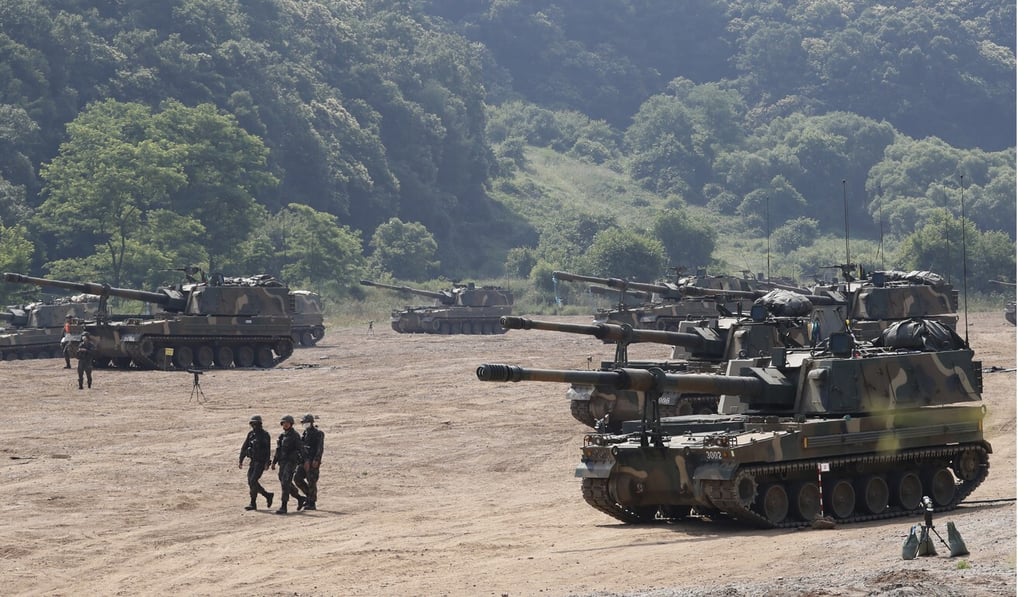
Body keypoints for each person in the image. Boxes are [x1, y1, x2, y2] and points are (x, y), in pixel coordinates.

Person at [270, 415, 305, 514]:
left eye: (287, 423)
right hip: (283, 462)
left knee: (285, 482)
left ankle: (284, 506)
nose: (285, 425)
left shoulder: (295, 435)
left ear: (291, 424)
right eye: (283, 423)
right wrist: (274, 462)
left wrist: (304, 461)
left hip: (291, 462)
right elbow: (278, 450)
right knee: (284, 481)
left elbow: (301, 449)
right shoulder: (282, 436)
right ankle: (300, 498)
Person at [238, 415, 274, 511]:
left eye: (256, 423)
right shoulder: (251, 434)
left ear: (260, 424)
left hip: (261, 462)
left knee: (253, 480)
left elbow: (267, 450)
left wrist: (267, 462)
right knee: (250, 482)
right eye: (252, 424)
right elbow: (244, 447)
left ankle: (255, 501)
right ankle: (265, 496)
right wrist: (241, 460)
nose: (254, 426)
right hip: (253, 461)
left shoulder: (265, 435)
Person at [293, 413, 324, 511]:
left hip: (313, 461)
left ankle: (312, 503)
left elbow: (320, 447)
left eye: (307, 422)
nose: (305, 424)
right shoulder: (305, 433)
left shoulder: (318, 433)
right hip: (304, 461)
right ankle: (309, 497)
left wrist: (317, 459)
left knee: (312, 481)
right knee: (297, 478)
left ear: (311, 422)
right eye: (304, 423)